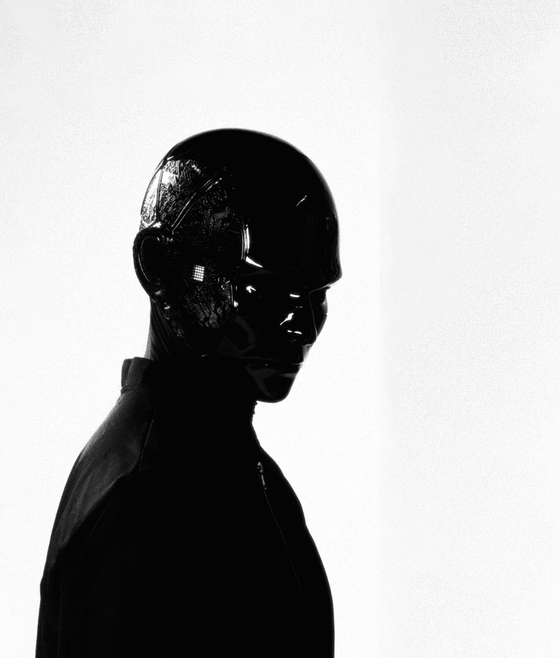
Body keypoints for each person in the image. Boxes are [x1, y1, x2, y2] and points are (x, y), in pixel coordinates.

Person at [35, 129, 341, 657]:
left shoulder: (227, 464)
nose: (304, 324)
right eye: (269, 290)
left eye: (318, 294)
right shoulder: (147, 498)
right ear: (160, 266)